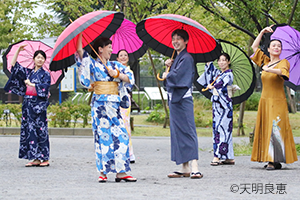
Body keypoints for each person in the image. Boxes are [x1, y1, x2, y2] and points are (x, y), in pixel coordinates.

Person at [75, 33, 137, 182]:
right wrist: (80, 34)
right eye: (109, 47)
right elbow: (80, 53)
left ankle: (121, 171)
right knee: (103, 137)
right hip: (100, 106)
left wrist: (117, 74)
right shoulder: (92, 63)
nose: (111, 50)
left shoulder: (115, 65)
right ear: (100, 49)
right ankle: (102, 172)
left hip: (114, 106)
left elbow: (130, 77)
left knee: (122, 135)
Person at [250, 26, 298, 170]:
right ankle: (271, 159)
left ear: (281, 50)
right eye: (274, 45)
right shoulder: (265, 61)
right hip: (265, 101)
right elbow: (254, 46)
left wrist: (269, 69)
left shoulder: (284, 62)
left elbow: (283, 73)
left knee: (275, 128)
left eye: (279, 46)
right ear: (269, 49)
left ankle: (273, 160)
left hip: (277, 101)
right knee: (266, 128)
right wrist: (262, 32)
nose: (276, 48)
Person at [163, 29, 203, 179]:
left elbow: (179, 77)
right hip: (174, 100)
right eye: (173, 38)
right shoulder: (177, 58)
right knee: (177, 132)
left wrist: (169, 74)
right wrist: (168, 66)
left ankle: (194, 166)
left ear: (186, 41)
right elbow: (171, 77)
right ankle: (184, 166)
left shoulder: (187, 58)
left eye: (179, 38)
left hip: (183, 100)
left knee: (188, 130)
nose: (175, 41)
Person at [4, 44, 51, 167]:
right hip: (28, 104)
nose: (40, 59)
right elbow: (14, 67)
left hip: (39, 105)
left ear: (44, 60)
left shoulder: (45, 74)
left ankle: (44, 158)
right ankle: (34, 157)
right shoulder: (28, 73)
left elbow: (45, 88)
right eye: (38, 57)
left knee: (41, 131)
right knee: (29, 131)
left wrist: (33, 85)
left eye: (42, 58)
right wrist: (18, 51)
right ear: (34, 59)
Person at [197, 53, 235, 166]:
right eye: (219, 60)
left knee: (222, 130)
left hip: (224, 107)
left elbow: (221, 85)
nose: (222, 62)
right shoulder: (219, 74)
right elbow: (211, 71)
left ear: (228, 62)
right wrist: (208, 60)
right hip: (218, 107)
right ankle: (229, 157)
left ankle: (217, 156)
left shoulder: (229, 74)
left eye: (224, 60)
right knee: (219, 130)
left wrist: (212, 87)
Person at [116, 49, 136, 164]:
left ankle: (129, 153)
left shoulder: (129, 71)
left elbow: (130, 84)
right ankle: (119, 151)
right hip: (114, 99)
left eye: (125, 55)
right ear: (117, 58)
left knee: (125, 124)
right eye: (121, 55)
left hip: (124, 99)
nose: (123, 57)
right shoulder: (114, 69)